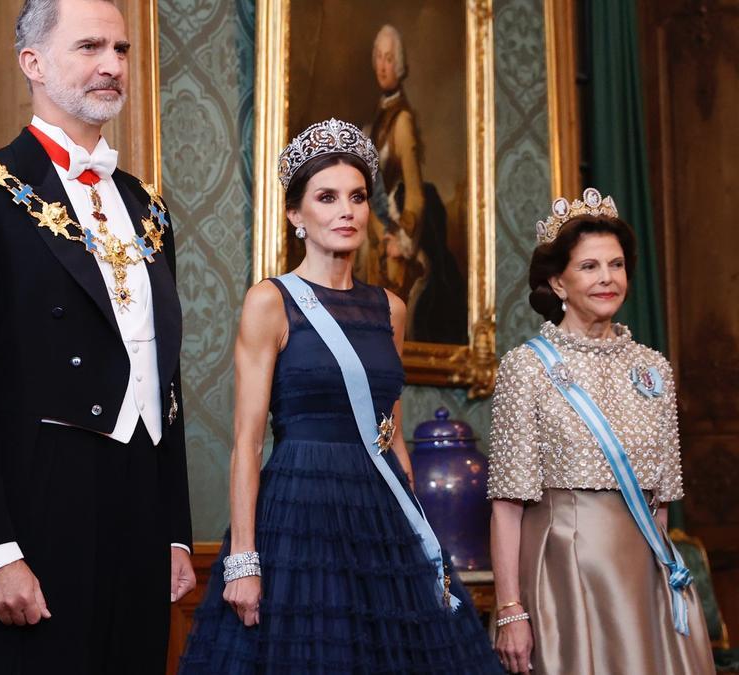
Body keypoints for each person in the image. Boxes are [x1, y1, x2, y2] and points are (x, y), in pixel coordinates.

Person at [0, 0, 194, 672]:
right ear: (31, 63)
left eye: (121, 50)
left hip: (138, 506)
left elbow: (165, 380)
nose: (111, 66)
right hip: (39, 508)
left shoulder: (147, 209)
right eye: (90, 47)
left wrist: (175, 532)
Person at [178, 118, 500, 674]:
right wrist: (243, 561)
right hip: (298, 514)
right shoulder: (270, 302)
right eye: (326, 198)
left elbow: (391, 433)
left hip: (380, 514)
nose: (346, 211)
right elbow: (247, 443)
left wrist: (415, 534)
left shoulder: (390, 310)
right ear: (295, 215)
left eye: (357, 197)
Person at [487, 188, 714, 674]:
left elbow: (660, 500)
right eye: (589, 267)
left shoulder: (654, 368)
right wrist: (511, 610)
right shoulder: (526, 368)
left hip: (646, 578)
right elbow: (507, 507)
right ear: (558, 281)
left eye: (616, 265)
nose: (607, 278)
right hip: (565, 575)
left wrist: (662, 586)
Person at [365, 24, 467, 344]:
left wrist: (402, 240)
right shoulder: (379, 119)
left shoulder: (402, 121)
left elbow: (415, 192)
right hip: (375, 228)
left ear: (400, 65)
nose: (383, 66)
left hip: (395, 233)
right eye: (379, 58)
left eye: (389, 59)